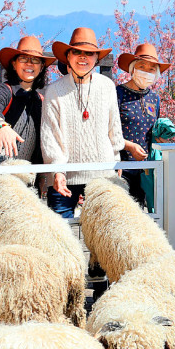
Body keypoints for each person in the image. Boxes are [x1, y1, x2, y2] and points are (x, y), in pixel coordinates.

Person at [41, 27, 125, 218]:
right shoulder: (55, 91)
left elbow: (114, 127)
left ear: (96, 58)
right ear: (68, 56)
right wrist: (57, 170)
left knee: (106, 235)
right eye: (77, 52)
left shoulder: (107, 87)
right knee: (61, 235)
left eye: (89, 53)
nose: (83, 57)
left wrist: (116, 159)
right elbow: (50, 136)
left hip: (102, 174)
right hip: (64, 176)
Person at [0, 36, 55, 192]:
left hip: (24, 180)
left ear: (42, 67)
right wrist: (1, 126)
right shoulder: (4, 90)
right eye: (24, 59)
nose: (30, 64)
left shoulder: (39, 100)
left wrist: (42, 176)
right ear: (14, 64)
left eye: (35, 60)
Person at [116, 43, 172, 209]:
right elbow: (108, 130)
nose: (146, 72)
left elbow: (153, 128)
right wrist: (128, 146)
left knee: (142, 214)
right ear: (132, 68)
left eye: (151, 69)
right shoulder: (117, 94)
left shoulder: (154, 98)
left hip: (146, 169)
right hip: (121, 166)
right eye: (142, 67)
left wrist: (160, 136)